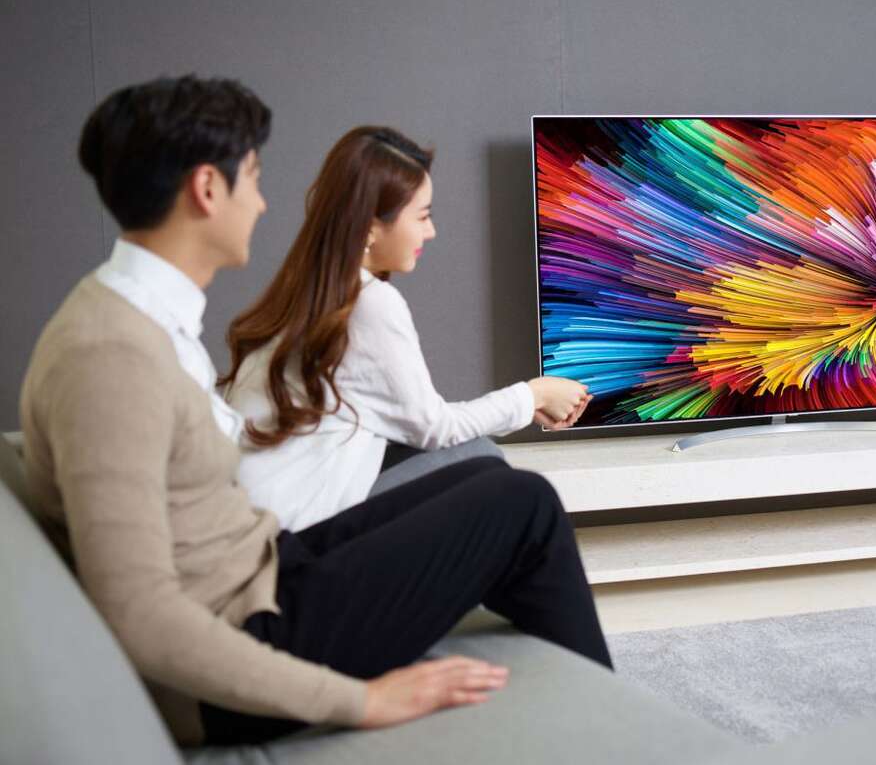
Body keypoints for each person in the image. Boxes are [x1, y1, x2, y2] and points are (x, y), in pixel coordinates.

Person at [18, 75, 611, 747]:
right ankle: (611, 736)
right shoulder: (110, 357)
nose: (265, 203)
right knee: (522, 505)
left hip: (268, 569)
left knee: (489, 480)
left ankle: (576, 709)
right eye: (254, 177)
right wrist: (358, 701)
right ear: (208, 190)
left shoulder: (146, 323)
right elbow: (142, 613)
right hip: (250, 631)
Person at [220, 126, 591, 531]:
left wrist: (528, 403)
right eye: (423, 216)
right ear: (370, 226)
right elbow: (435, 428)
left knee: (478, 458)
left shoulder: (305, 289)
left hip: (254, 519)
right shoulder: (368, 303)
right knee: (492, 476)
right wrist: (532, 393)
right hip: (294, 537)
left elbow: (414, 419)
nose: (430, 232)